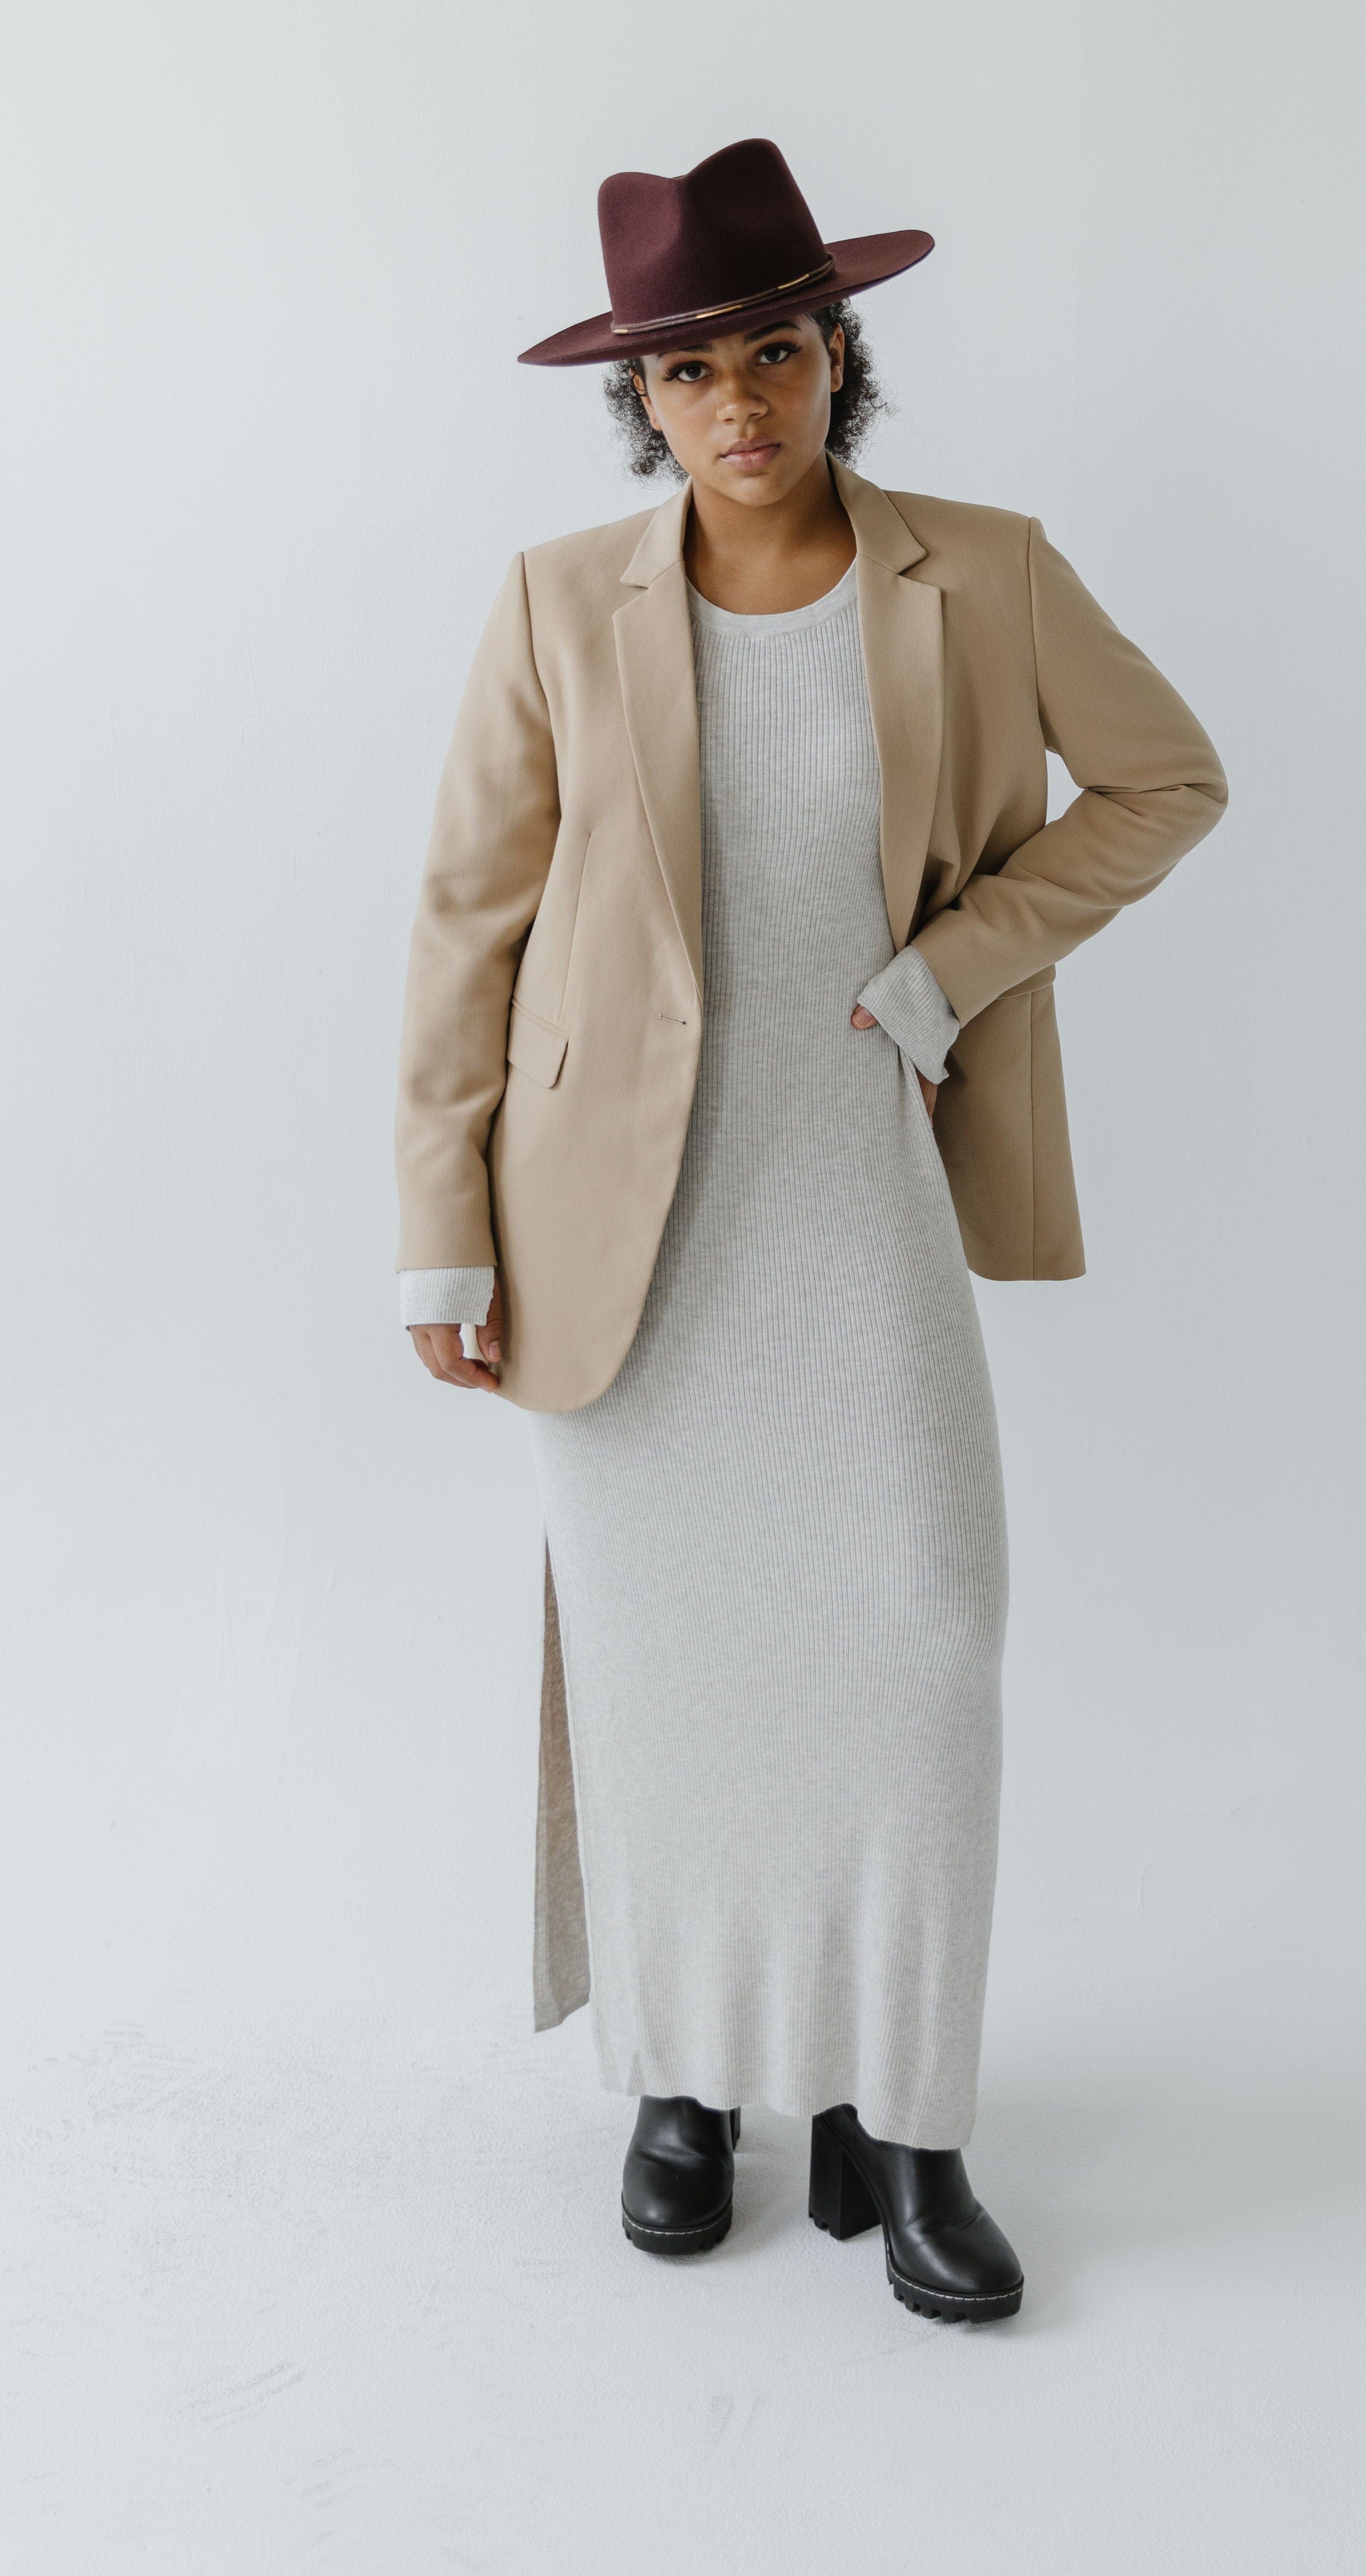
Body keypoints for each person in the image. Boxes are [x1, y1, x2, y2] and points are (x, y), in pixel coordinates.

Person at [395, 136, 1225, 2323]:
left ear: (836, 357)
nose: (734, 398)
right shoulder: (558, 603)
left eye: (770, 350)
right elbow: (467, 926)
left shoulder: (985, 569)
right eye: (686, 370)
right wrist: (439, 1235)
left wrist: (956, 963)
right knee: (669, 1683)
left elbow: (1166, 782)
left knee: (921, 1646)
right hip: (610, 1234)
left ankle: (906, 2115)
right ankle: (687, 2084)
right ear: (643, 404)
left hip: (856, 1193)